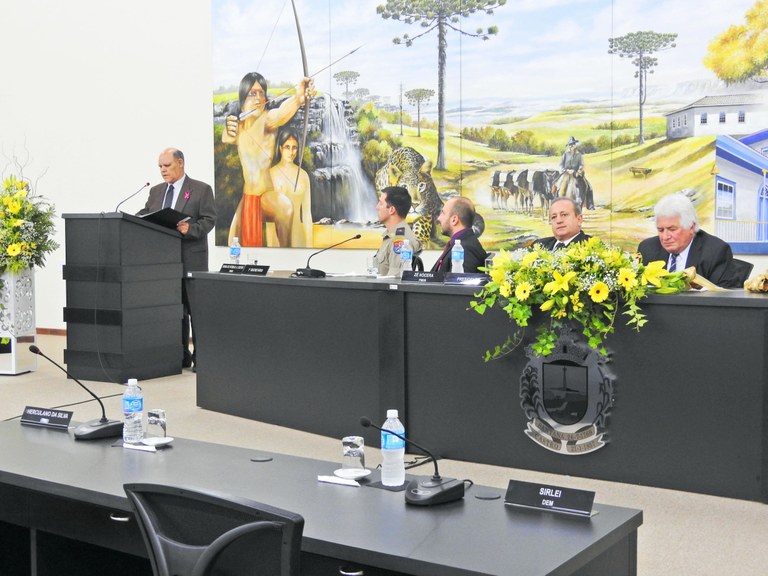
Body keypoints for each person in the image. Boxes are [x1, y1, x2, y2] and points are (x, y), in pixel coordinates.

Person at [138, 148, 216, 370]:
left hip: (191, 259)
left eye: (167, 165)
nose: (163, 170)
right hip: (164, 262)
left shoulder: (201, 189)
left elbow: (209, 219)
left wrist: (190, 229)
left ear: (180, 163)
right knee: (174, 311)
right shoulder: (156, 191)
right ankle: (180, 356)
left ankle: (202, 358)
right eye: (160, 166)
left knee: (195, 311)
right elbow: (145, 213)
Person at [223, 72, 313, 247]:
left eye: (261, 93)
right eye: (252, 93)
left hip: (265, 196)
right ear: (243, 97)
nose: (258, 98)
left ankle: (286, 255)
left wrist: (298, 98)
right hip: (247, 197)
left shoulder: (267, 120)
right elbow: (227, 137)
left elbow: (281, 114)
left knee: (285, 208)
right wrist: (229, 127)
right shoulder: (240, 125)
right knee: (233, 243)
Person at [638, 193, 740, 288]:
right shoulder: (647, 249)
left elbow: (721, 296)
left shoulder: (716, 252)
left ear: (691, 227)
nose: (665, 237)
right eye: (660, 230)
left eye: (672, 229)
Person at [270, 130, 312, 247]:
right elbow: (269, 219)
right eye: (287, 147)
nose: (291, 152)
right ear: (280, 148)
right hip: (277, 238)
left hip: (298, 237)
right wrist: (269, 246)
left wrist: (310, 246)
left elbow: (307, 214)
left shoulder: (303, 175)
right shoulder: (271, 174)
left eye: (294, 148)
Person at [372, 186, 422, 276]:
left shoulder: (400, 240)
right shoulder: (392, 236)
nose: (377, 207)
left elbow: (395, 279)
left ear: (391, 210)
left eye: (381, 203)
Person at [430, 196, 487, 273]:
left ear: (454, 220)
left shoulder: (466, 249)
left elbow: (459, 280)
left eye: (443, 213)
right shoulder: (464, 243)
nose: (439, 218)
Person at [553, 136, 594, 210]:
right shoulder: (565, 154)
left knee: (588, 185)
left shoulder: (579, 155)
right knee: (557, 184)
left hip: (576, 173)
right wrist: (565, 170)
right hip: (566, 173)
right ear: (568, 146)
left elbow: (581, 165)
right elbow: (561, 165)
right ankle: (556, 201)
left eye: (573, 144)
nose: (571, 146)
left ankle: (590, 204)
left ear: (575, 145)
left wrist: (578, 171)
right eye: (570, 144)